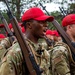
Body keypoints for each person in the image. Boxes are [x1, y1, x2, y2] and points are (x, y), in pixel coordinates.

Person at [0, 7, 54, 75]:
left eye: (46, 22)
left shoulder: (43, 51)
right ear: (29, 25)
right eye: (41, 22)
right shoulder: (15, 53)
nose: (46, 25)